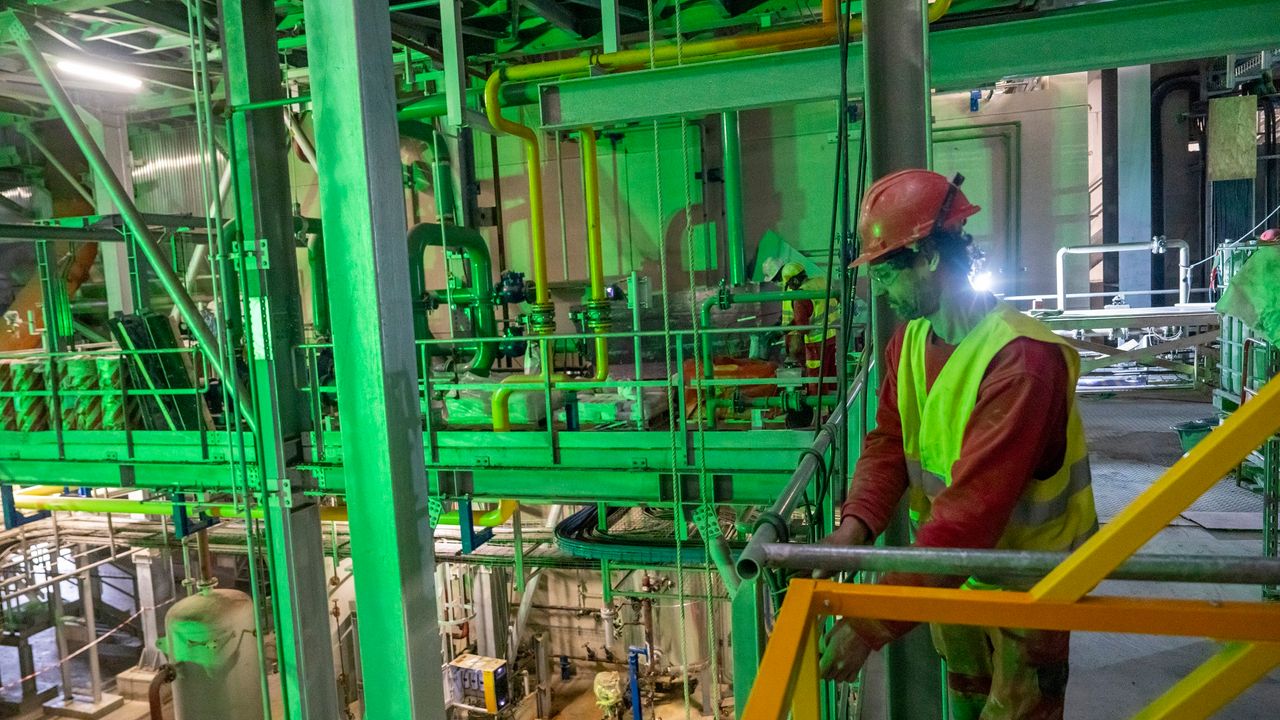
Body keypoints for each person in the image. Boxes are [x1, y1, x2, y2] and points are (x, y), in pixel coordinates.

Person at [819, 169, 1097, 720]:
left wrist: (869, 625)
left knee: (1019, 713)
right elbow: (888, 441)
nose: (879, 293)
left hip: (1028, 586)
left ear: (928, 257)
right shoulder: (912, 339)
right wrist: (855, 527)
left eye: (885, 274)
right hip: (957, 576)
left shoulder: (1021, 362)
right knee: (965, 702)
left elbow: (971, 513)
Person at [764, 259, 840, 391]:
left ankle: (818, 408)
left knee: (815, 378)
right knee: (830, 375)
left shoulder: (800, 294)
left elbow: (802, 326)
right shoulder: (820, 282)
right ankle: (834, 407)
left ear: (793, 281)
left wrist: (783, 332)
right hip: (834, 336)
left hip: (815, 341)